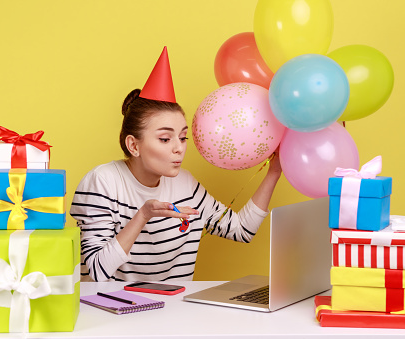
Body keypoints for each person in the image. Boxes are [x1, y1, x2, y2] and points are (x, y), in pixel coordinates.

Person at [70, 47, 282, 282]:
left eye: (182, 137)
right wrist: (143, 215)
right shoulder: (102, 183)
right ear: (134, 145)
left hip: (174, 314)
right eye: (164, 139)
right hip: (113, 312)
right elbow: (95, 273)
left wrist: (274, 171)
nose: (179, 148)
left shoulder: (185, 184)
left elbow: (241, 230)